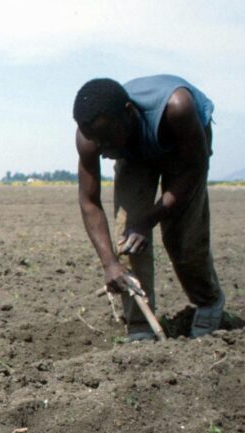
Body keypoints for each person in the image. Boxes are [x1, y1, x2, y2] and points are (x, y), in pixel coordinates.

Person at [73, 75, 224, 340]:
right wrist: (109, 263)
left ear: (128, 114)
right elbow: (89, 201)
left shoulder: (177, 107)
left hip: (181, 147)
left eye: (107, 140)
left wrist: (148, 220)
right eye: (98, 144)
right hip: (134, 154)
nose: (104, 151)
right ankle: (140, 325)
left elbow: (194, 169)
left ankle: (208, 302)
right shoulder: (92, 135)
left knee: (184, 241)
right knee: (127, 239)